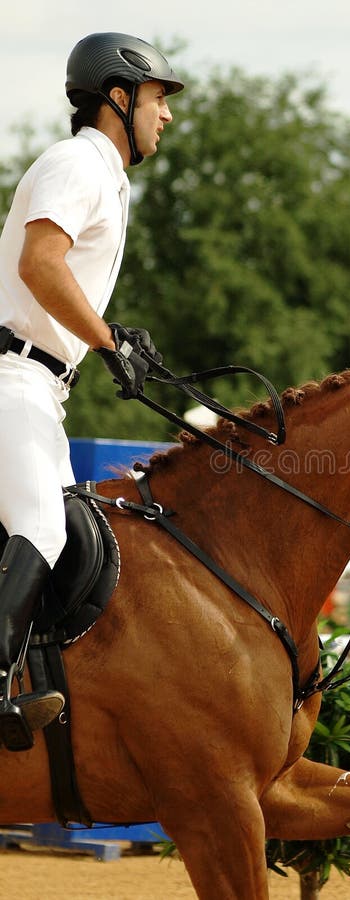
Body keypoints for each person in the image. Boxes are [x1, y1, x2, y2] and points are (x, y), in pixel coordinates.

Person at [0, 33, 183, 750]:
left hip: (41, 388)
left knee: (71, 538)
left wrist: (111, 343)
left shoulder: (106, 175)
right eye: (159, 100)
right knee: (44, 529)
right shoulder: (79, 162)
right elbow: (42, 264)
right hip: (12, 375)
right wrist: (109, 340)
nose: (165, 116)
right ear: (118, 97)